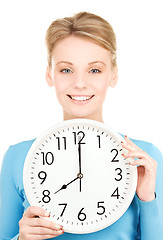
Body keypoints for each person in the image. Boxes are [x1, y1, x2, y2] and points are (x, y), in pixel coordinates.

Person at [0, 11, 163, 240]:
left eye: (94, 70)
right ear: (49, 75)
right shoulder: (18, 157)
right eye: (66, 69)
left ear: (113, 75)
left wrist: (147, 200)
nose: (79, 83)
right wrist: (21, 239)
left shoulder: (144, 159)